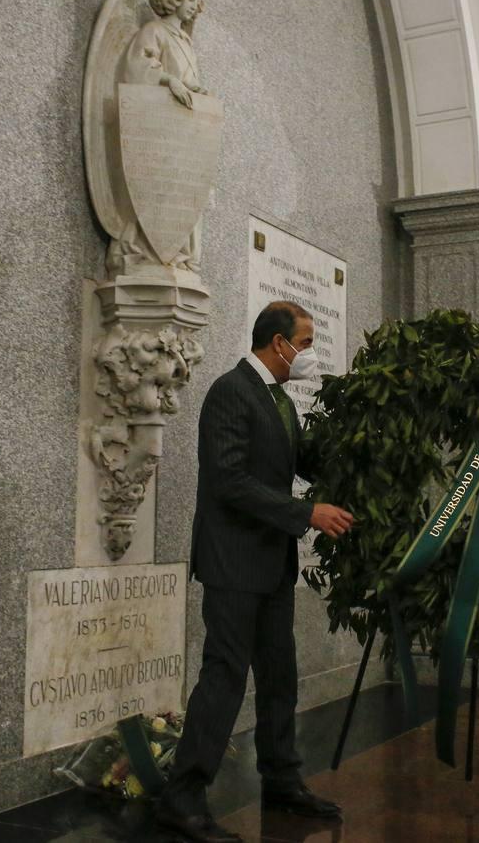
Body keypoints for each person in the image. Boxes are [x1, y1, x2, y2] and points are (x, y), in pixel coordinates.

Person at [157, 301, 354, 843]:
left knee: (279, 675)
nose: (310, 353)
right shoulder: (231, 391)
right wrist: (305, 513)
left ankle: (282, 780)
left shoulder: (278, 399)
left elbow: (294, 459)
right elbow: (229, 481)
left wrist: (357, 443)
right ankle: (183, 798)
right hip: (234, 563)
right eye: (306, 343)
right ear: (277, 342)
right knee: (223, 679)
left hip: (270, 563)